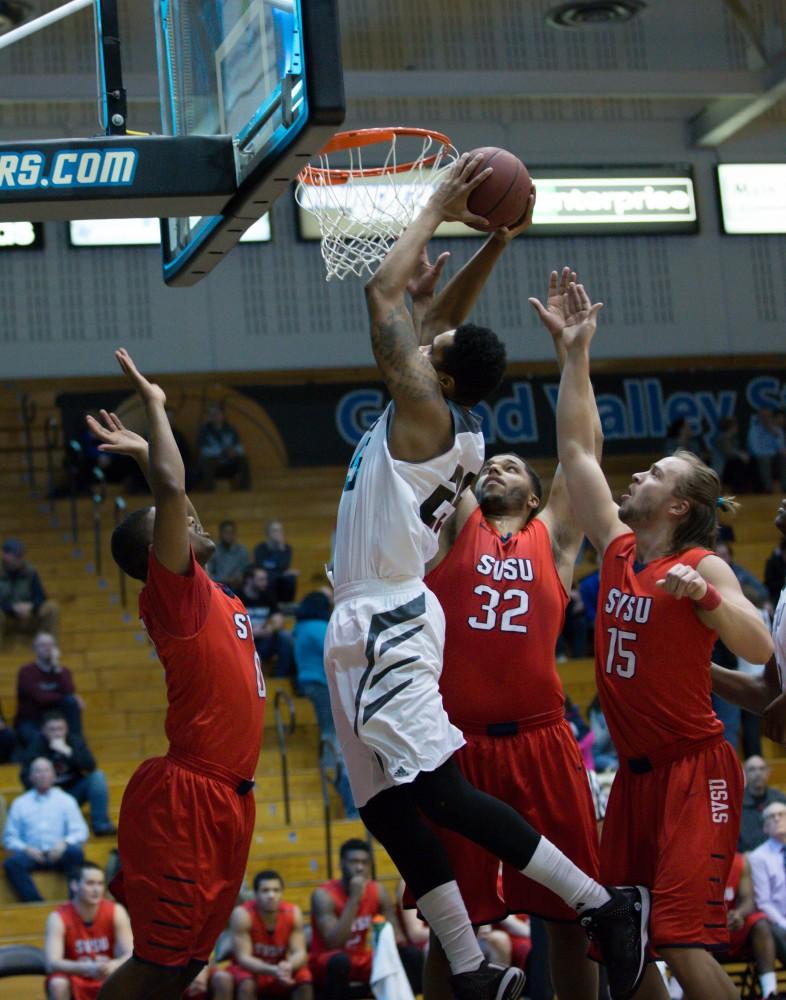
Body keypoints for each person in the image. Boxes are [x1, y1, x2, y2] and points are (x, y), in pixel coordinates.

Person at [325, 154, 647, 1000]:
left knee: (433, 791)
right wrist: (496, 242)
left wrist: (438, 205)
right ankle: (472, 971)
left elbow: (384, 300)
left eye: (430, 348)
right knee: (386, 808)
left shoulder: (428, 416)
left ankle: (599, 904)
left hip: (394, 620)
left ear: (441, 377)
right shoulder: (434, 409)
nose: (424, 332)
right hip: (362, 624)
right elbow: (441, 328)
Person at [554, 277, 774, 1000]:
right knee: (624, 940)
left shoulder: (698, 563)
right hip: (637, 781)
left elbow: (761, 646)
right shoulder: (618, 549)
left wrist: (707, 597)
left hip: (695, 770)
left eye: (654, 473)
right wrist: (575, 356)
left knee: (679, 936)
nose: (637, 474)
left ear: (677, 504)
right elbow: (579, 454)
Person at [417, 266, 606, 1000]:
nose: (495, 464)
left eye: (512, 466)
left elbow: (579, 454)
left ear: (533, 496)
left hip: (542, 739)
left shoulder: (553, 541)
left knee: (569, 912)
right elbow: (434, 417)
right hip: (457, 745)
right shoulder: (453, 524)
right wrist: (432, 320)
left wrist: (575, 357)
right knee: (450, 920)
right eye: (488, 461)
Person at [83, 349, 265, 1000]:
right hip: (187, 797)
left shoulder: (221, 599)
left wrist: (143, 460)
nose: (190, 515)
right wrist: (156, 409)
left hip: (230, 801)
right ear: (156, 553)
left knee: (188, 966)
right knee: (161, 963)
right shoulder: (177, 598)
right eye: (176, 519)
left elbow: (170, 491)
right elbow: (169, 487)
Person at [310, 839, 422, 1000]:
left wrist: (393, 945)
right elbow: (334, 943)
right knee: (340, 962)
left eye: (365, 862)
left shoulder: (377, 890)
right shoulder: (323, 895)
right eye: (354, 862)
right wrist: (354, 899)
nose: (360, 867)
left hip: (361, 958)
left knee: (411, 955)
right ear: (341, 864)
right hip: (326, 960)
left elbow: (397, 937)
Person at [293, 590, 357, 818]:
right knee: (331, 732)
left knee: (330, 731)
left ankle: (331, 768)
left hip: (308, 682)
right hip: (321, 684)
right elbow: (341, 650)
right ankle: (331, 769)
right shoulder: (319, 628)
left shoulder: (300, 628)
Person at [211, 869, 313, 999]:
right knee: (247, 982)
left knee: (304, 977)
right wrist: (273, 970)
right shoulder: (242, 914)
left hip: (279, 968)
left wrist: (288, 966)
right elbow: (243, 958)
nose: (271, 895)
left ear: (282, 893)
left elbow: (300, 952)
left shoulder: (293, 913)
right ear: (256, 893)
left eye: (276, 890)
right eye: (265, 890)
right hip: (250, 969)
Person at [44, 860, 134, 1000]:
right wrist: (88, 968)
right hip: (76, 975)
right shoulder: (58, 918)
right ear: (74, 885)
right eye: (90, 883)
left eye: (100, 883)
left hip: (106, 972)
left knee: (131, 976)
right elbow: (52, 963)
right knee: (58, 983)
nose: (97, 889)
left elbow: (130, 953)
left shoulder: (116, 911)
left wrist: (114, 964)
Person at [3, 756, 87, 902]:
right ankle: (35, 902)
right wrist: (26, 849)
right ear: (30, 777)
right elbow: (9, 838)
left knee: (75, 853)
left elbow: (81, 831)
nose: (42, 775)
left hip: (59, 853)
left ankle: (74, 901)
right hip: (32, 855)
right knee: (11, 864)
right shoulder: (20, 803)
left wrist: (64, 843)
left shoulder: (66, 800)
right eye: (37, 771)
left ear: (54, 775)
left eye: (46, 770)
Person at [21, 710, 116, 836]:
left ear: (66, 728)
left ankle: (101, 825)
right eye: (52, 729)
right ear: (43, 730)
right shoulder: (36, 747)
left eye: (60, 729)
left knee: (97, 777)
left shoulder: (74, 741)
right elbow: (25, 778)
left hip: (73, 794)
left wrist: (68, 752)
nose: (57, 733)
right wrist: (47, 788)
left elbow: (91, 766)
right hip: (48, 798)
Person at [715, 852, 781, 1000]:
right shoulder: (697, 859)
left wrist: (738, 914)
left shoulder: (740, 862)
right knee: (698, 933)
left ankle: (770, 992)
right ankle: (676, 993)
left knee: (760, 923)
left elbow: (748, 900)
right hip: (704, 932)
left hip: (732, 928)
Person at [15, 632, 84, 747]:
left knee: (71, 702)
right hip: (32, 721)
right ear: (35, 649)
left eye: (51, 645)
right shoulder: (26, 672)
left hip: (57, 721)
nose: (48, 649)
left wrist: (56, 668)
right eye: (43, 645)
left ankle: (79, 749)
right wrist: (69, 697)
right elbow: (40, 698)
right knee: (40, 742)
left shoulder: (63, 671)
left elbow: (68, 693)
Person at [0, 537, 60, 641]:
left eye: (21, 555)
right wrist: (12, 608)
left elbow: (41, 596)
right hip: (5, 614)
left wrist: (31, 606)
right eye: (16, 555)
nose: (20, 558)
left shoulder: (30, 571)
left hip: (28, 612)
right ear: (5, 555)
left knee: (51, 608)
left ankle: (48, 648)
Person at [749, 802, 786, 968]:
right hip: (777, 921)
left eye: (781, 814)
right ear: (765, 828)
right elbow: (763, 902)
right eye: (771, 817)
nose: (777, 819)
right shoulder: (758, 857)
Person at [240, 567, 294, 679]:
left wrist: (270, 628)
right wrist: (252, 633)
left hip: (264, 640)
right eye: (261, 579)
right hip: (243, 641)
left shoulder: (268, 595)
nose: (266, 583)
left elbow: (278, 618)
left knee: (285, 637)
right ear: (249, 580)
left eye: (266, 579)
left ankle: (281, 677)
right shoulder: (236, 596)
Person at [197, 402, 251, 491]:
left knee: (243, 460)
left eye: (217, 413)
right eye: (212, 414)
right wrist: (222, 451)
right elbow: (204, 450)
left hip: (229, 463)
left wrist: (235, 451)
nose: (215, 416)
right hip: (214, 464)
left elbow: (240, 447)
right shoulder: (205, 431)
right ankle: (208, 493)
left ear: (223, 415)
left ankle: (245, 490)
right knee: (207, 462)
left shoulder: (230, 429)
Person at [737, 756, 786, 852]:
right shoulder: (736, 803)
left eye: (761, 769)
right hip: (748, 858)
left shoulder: (780, 799)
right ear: (744, 774)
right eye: (752, 769)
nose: (758, 774)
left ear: (768, 773)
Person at [254, 521, 299, 604]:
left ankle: (287, 605)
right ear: (268, 533)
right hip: (267, 577)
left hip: (280, 577)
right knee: (268, 578)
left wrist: (281, 548)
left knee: (291, 578)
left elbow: (284, 565)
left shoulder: (286, 548)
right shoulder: (260, 548)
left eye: (280, 531)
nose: (278, 533)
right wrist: (279, 571)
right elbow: (261, 566)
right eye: (274, 530)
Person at [747, 408, 786, 493]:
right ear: (759, 417)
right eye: (763, 416)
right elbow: (754, 449)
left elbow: (780, 447)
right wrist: (768, 454)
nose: (766, 418)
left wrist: (773, 433)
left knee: (783, 458)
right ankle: (768, 488)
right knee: (765, 459)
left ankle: (784, 487)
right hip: (760, 456)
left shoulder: (777, 430)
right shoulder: (754, 429)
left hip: (774, 456)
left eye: (768, 416)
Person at [207, 520, 251, 593]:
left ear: (235, 534)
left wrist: (238, 579)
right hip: (217, 588)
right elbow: (208, 574)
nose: (228, 535)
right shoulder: (213, 550)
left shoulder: (242, 551)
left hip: (238, 588)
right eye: (225, 532)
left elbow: (244, 573)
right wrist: (225, 580)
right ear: (220, 534)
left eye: (231, 532)